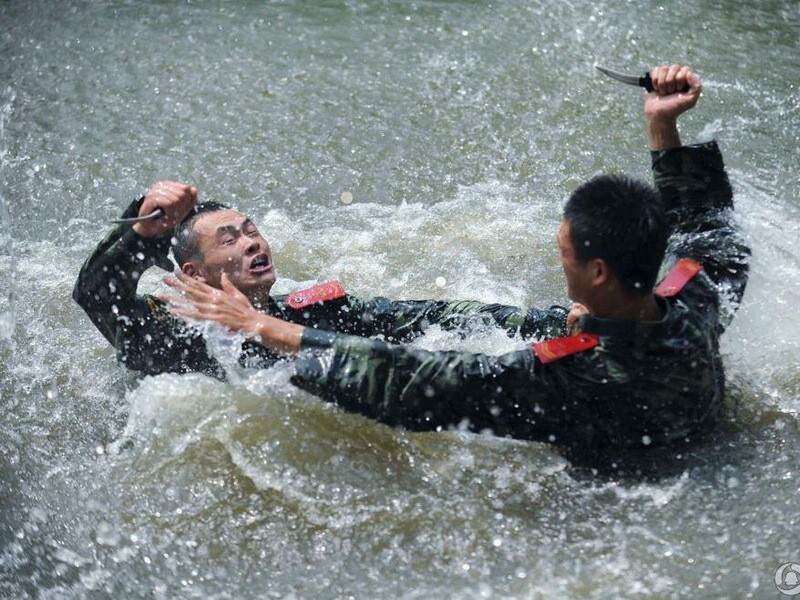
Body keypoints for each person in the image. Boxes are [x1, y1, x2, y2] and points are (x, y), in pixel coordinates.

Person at [163, 64, 750, 465]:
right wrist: (663, 124)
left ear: (598, 273)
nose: (559, 255)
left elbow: (417, 382)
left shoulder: (566, 376)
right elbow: (710, 230)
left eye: (566, 251)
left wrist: (267, 327)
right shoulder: (695, 301)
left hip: (621, 501)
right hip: (708, 455)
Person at [73, 183, 568, 379]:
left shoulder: (306, 312)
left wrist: (552, 322)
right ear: (193, 274)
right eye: (229, 240)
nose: (251, 242)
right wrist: (142, 231)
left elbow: (425, 319)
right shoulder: (168, 334)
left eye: (252, 231)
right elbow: (96, 294)